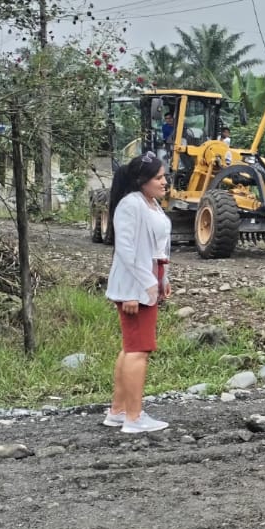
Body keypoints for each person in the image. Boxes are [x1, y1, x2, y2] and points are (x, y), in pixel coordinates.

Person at [102, 151, 172, 433]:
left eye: (164, 176)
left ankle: (118, 411)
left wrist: (164, 278)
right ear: (142, 180)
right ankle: (134, 417)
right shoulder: (131, 205)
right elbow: (126, 251)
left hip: (147, 281)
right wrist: (135, 289)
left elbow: (157, 248)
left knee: (132, 347)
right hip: (136, 286)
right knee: (139, 350)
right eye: (158, 177)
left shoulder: (151, 203)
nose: (164, 182)